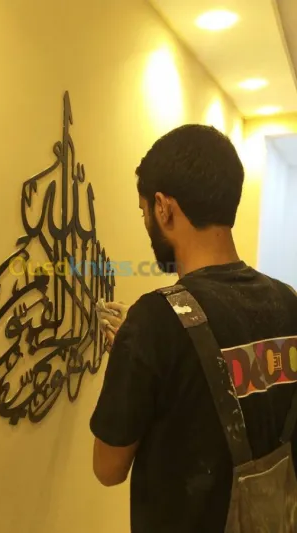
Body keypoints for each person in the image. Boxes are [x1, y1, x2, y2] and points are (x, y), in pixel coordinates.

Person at [90, 125, 297, 533]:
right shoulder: (289, 302)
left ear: (164, 208)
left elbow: (107, 468)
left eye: (144, 210)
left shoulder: (153, 321)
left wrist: (135, 359)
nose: (147, 221)